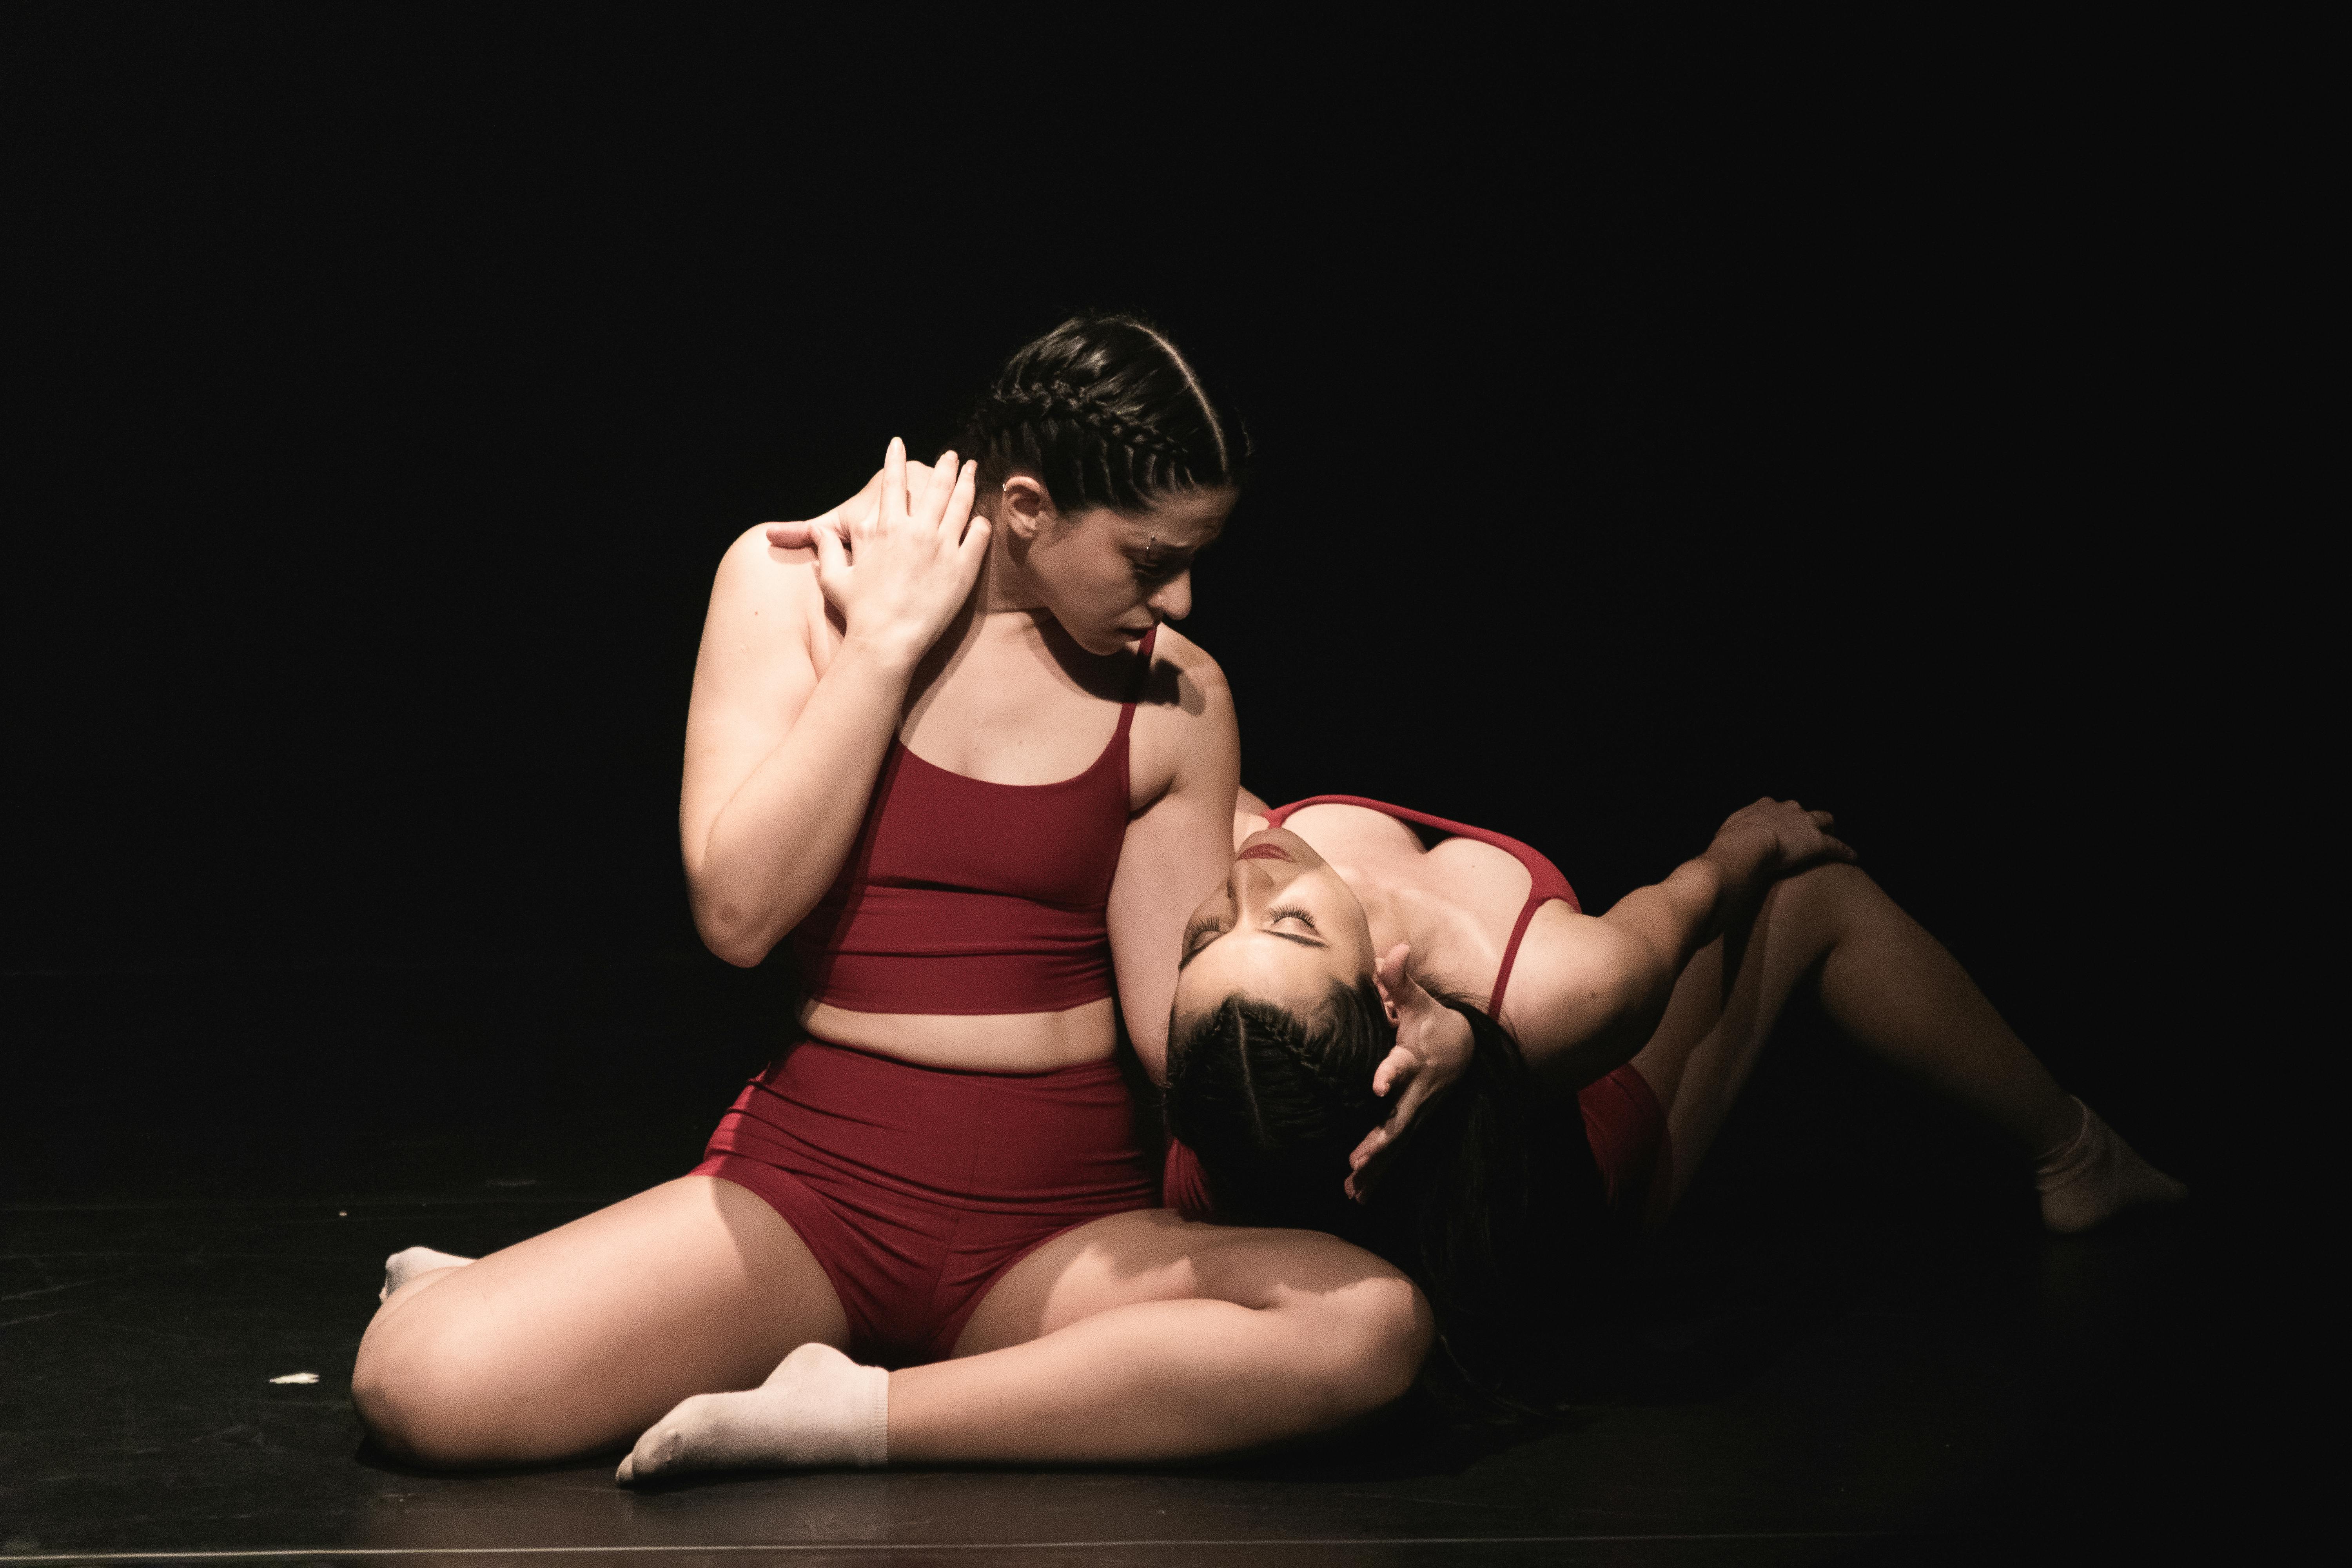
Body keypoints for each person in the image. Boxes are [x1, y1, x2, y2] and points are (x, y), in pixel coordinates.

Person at [350, 316, 1433, 1481]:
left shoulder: (1175, 694)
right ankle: (538, 1303)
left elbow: (1177, 1034)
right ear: (1026, 511)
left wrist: (1389, 1027)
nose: (1180, 599)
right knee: (421, 1386)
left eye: (1194, 556)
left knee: (1369, 1326)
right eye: (1148, 557)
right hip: (821, 1190)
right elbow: (739, 917)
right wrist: (884, 644)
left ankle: (847, 1414)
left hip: (1065, 1223)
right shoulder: (790, 586)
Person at [1160, 792, 2187, 1387]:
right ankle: (2074, 1156)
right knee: (1806, 887)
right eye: (1288, 927)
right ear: (1388, 1010)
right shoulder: (1568, 990)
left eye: (1209, 935)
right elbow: (1690, 903)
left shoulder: (1230, 1018)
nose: (1247, 886)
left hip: (1355, 1174)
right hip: (1558, 1202)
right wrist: (1748, 844)